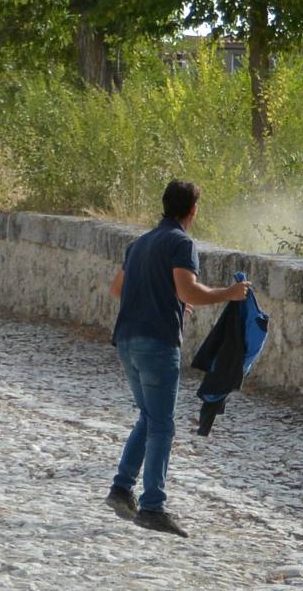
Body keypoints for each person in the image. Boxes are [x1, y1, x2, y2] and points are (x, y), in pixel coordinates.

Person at [105, 180, 250, 537]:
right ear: (193, 211)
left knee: (149, 417)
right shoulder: (181, 243)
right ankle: (153, 506)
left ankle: (121, 489)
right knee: (162, 424)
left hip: (127, 340)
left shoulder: (139, 243)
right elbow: (188, 289)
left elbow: (118, 289)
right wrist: (230, 294)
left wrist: (171, 302)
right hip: (157, 343)